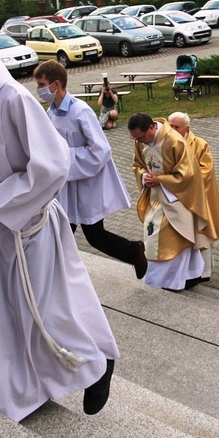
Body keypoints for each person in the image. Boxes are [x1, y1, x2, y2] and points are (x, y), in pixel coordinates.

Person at [0, 0, 119, 422]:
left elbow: (52, 166)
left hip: (27, 226)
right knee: (1, 311)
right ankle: (16, 387)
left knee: (43, 308)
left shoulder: (12, 97)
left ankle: (94, 366)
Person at [33, 60, 147, 279]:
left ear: (56, 84)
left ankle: (135, 251)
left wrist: (65, 158)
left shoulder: (80, 111)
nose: (39, 90)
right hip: (67, 184)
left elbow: (101, 150)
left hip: (85, 182)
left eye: (41, 84)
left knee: (93, 235)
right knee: (62, 229)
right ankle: (56, 275)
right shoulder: (52, 112)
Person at [129, 112, 214, 291]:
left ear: (152, 127)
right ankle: (178, 279)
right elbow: (137, 164)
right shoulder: (140, 141)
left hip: (177, 199)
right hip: (155, 199)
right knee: (155, 238)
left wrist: (161, 180)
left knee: (172, 240)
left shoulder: (174, 141)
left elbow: (189, 175)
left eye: (142, 137)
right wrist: (144, 176)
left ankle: (172, 281)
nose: (140, 142)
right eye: (136, 139)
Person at [167, 112, 219, 282]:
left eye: (176, 127)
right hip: (175, 200)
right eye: (170, 126)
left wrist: (180, 182)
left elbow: (206, 171)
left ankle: (203, 272)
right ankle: (182, 272)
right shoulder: (166, 144)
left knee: (200, 235)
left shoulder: (200, 144)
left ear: (187, 129)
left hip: (196, 200)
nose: (172, 130)